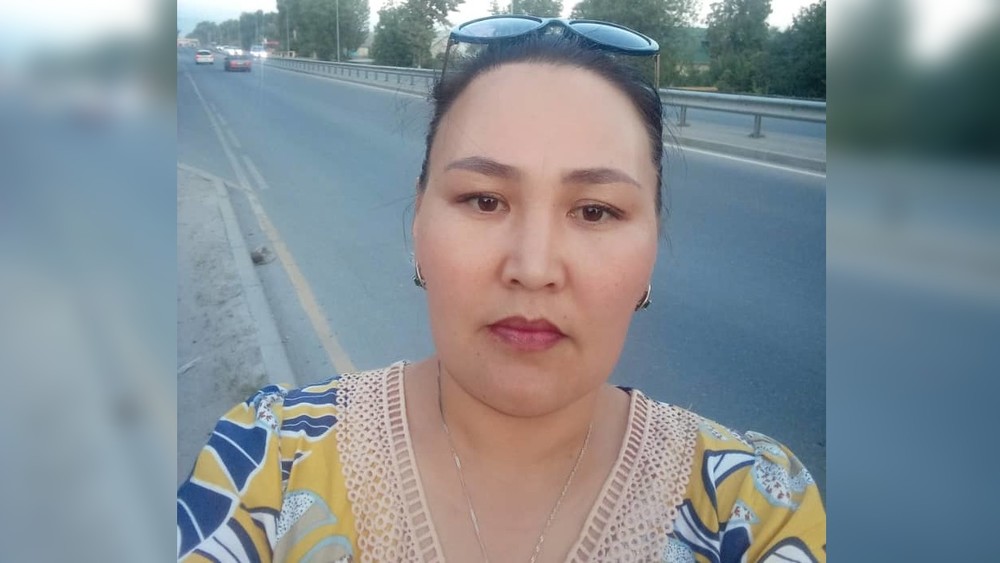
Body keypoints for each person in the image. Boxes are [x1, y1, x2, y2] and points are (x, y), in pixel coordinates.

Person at [177, 15, 826, 563]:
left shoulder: (754, 508)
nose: (534, 267)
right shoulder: (269, 463)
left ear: (653, 245)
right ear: (419, 224)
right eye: (485, 200)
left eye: (595, 210)